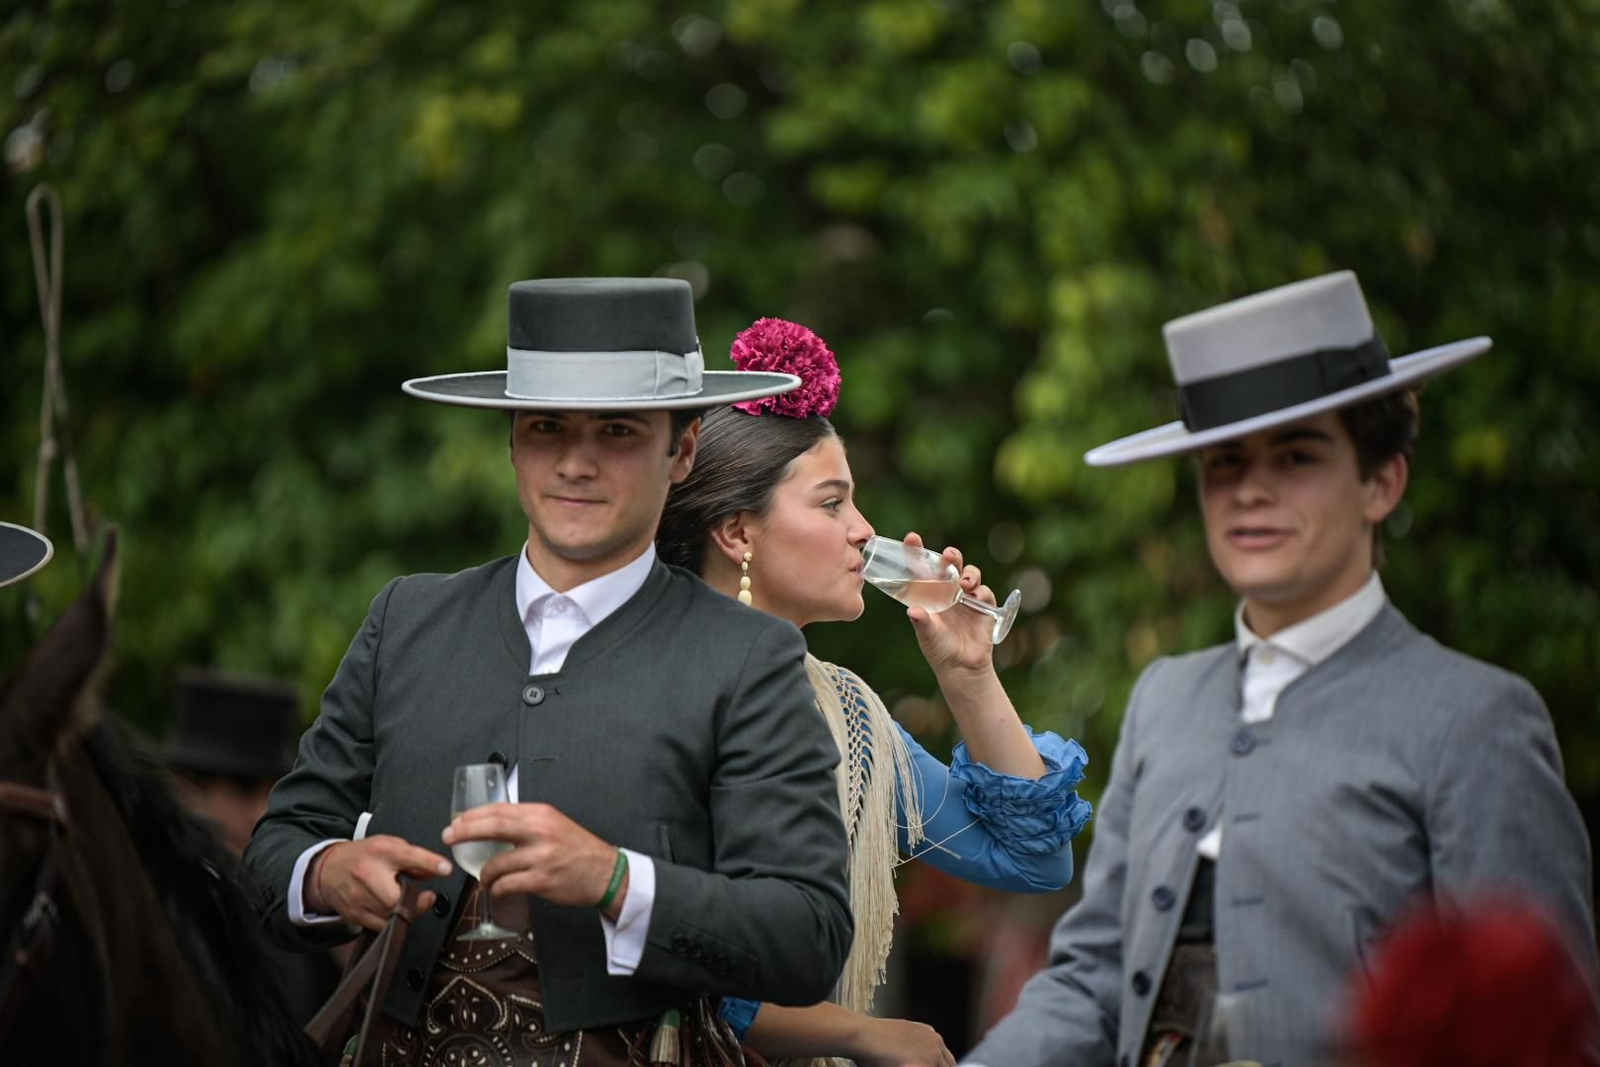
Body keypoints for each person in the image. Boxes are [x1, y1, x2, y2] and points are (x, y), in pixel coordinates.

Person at [962, 271, 1598, 1066]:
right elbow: (1093, 979)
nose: (1250, 492)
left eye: (1296, 457)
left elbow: (1538, 1027)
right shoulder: (1165, 698)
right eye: (1224, 462)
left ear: (1381, 482)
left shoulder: (1476, 718)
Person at [244, 278, 855, 1065]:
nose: (575, 462)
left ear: (683, 450)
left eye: (618, 431)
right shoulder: (406, 620)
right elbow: (272, 852)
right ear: (511, 441)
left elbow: (808, 934)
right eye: (545, 427)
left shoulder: (747, 657)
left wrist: (615, 879)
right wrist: (327, 872)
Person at [655, 317, 1094, 1067]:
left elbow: (1035, 861)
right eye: (832, 504)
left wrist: (969, 674)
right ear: (737, 532)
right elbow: (672, 961)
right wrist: (856, 1031)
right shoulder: (648, 692)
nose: (864, 530)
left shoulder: (849, 715)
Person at [159, 668, 344, 1026]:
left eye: (276, 789)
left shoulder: (298, 921)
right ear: (184, 789)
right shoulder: (150, 905)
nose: (262, 811)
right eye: (243, 789)